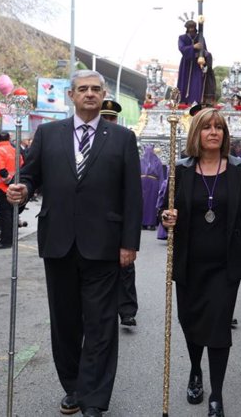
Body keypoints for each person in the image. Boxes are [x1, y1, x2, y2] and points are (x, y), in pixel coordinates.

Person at [6, 70, 142, 417]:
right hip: (58, 242)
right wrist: (20, 191)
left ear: (104, 94)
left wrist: (129, 243)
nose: (90, 94)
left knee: (101, 324)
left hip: (105, 245)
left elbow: (133, 196)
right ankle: (73, 387)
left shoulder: (122, 138)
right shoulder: (49, 134)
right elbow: (30, 175)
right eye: (83, 89)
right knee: (65, 323)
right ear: (71, 95)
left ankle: (94, 398)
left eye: (96, 89)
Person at [160, 107, 241, 417]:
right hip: (189, 262)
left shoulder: (238, 170)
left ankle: (217, 394)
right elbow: (163, 210)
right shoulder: (180, 170)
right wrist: (167, 218)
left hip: (225, 264)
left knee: (219, 327)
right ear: (197, 133)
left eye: (218, 127)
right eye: (207, 127)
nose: (213, 132)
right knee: (190, 322)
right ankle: (196, 370)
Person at [101, 97, 141, 327]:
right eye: (104, 117)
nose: (108, 121)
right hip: (96, 219)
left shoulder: (124, 140)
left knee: (125, 267)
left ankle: (127, 310)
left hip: (118, 216)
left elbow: (132, 188)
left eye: (111, 118)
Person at [0, 131, 23, 250]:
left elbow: (1, 169)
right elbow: (22, 165)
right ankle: (11, 238)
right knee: (13, 213)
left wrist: (7, 180)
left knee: (5, 215)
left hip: (3, 187)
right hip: (14, 187)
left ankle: (5, 240)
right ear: (8, 138)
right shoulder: (15, 150)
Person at [177, 19, 216, 105]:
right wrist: (193, 47)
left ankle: (195, 102)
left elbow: (205, 50)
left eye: (193, 28)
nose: (191, 30)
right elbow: (182, 48)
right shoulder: (182, 38)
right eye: (189, 28)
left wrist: (205, 56)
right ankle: (183, 102)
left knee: (196, 84)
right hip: (186, 64)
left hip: (197, 65)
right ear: (187, 28)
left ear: (195, 28)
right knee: (184, 83)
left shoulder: (200, 37)